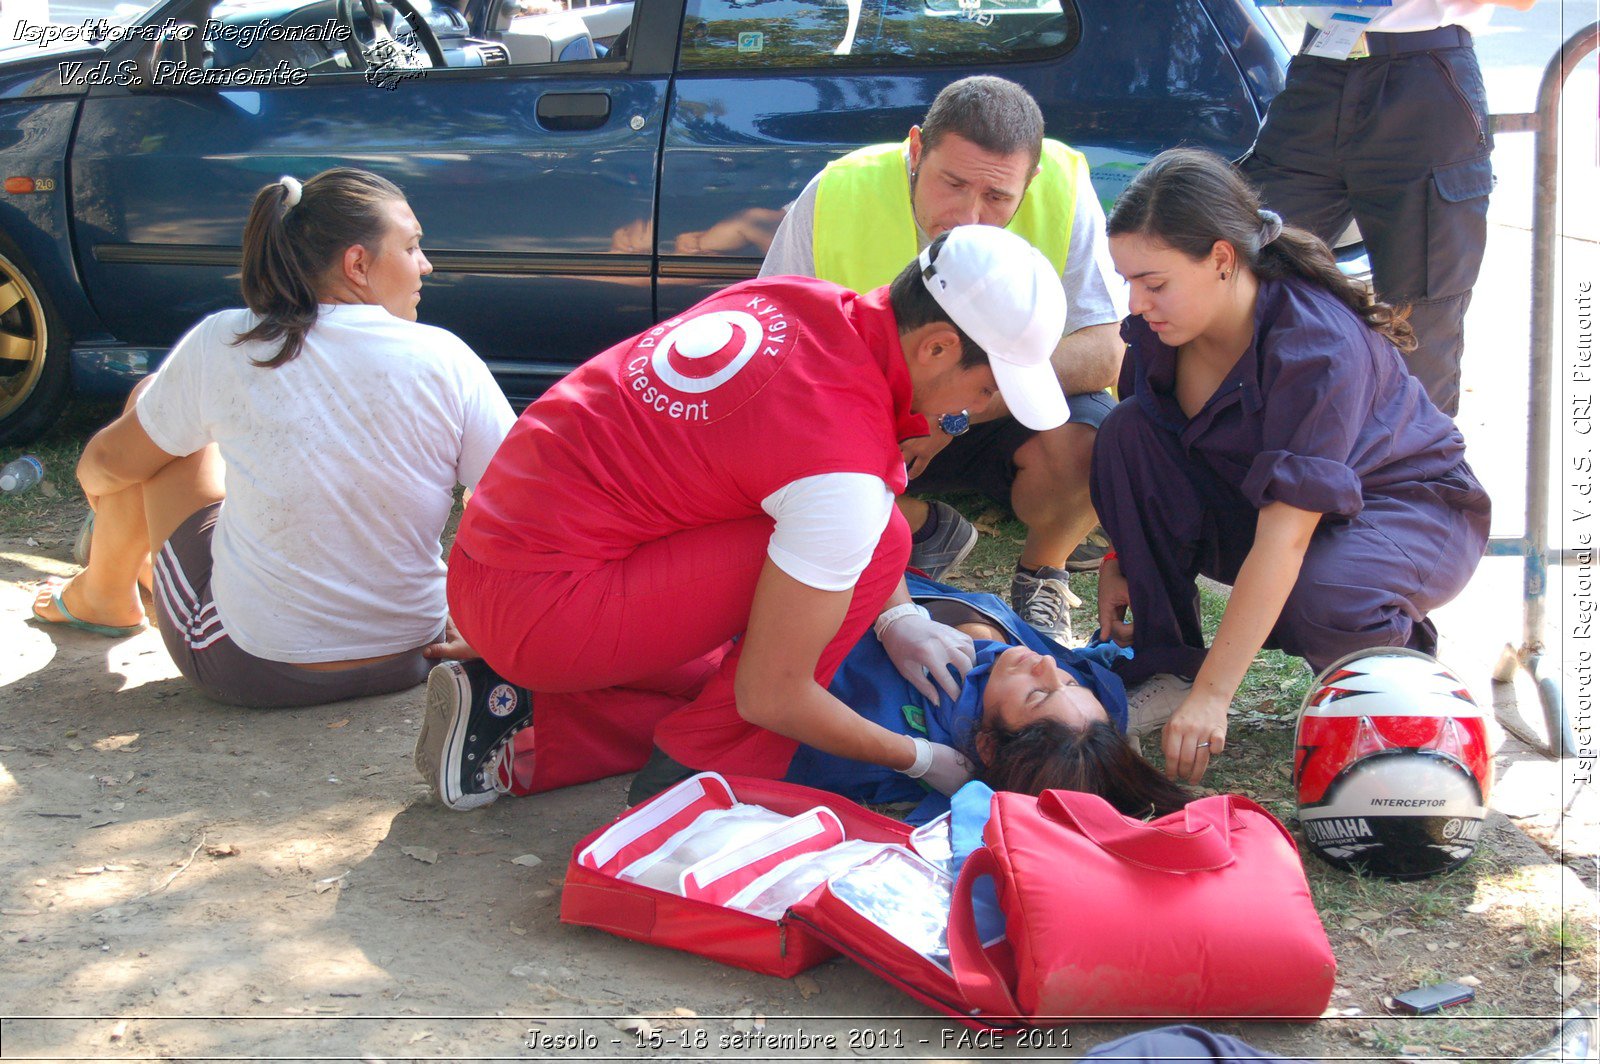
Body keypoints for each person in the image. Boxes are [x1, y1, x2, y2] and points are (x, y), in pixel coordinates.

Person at [415, 225, 1071, 811]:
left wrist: (899, 615)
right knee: (822, 609)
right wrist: (919, 758)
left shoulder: (795, 299)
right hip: (539, 608)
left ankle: (527, 708)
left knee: (830, 577)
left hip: (492, 558)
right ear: (935, 348)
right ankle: (689, 778)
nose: (977, 412)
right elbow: (771, 697)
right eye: (985, 391)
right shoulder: (842, 470)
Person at [29, 168, 514, 708]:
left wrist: (101, 492)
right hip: (414, 653)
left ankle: (103, 592)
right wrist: (496, 630)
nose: (426, 265)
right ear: (357, 264)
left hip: (253, 666)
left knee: (153, 403)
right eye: (413, 247)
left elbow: (109, 464)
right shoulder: (448, 356)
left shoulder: (230, 341)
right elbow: (523, 502)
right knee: (177, 417)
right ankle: (131, 579)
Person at [1092, 149, 1491, 784]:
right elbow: (1143, 464)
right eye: (1129, 281)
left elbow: (1288, 536)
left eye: (1155, 282)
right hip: (1278, 508)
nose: (1137, 303)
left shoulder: (1315, 346)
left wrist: (1217, 699)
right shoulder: (1161, 331)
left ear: (1223, 260)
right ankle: (1168, 667)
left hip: (1407, 507)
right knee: (1125, 430)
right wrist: (1122, 558)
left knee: (1321, 593)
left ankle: (1399, 677)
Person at [760, 75, 1127, 640]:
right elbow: (775, 340)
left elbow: (1105, 351)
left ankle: (1043, 571)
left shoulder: (1066, 189)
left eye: (998, 197)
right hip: (868, 418)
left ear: (1031, 181)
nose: (969, 216)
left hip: (989, 413)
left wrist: (952, 416)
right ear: (915, 151)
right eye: (951, 184)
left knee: (1094, 440)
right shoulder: (838, 190)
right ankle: (924, 532)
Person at [1241, 0, 1534, 417]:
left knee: (1420, 321)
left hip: (1424, 72)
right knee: (1239, 268)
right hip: (1320, 67)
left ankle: (1410, 475)